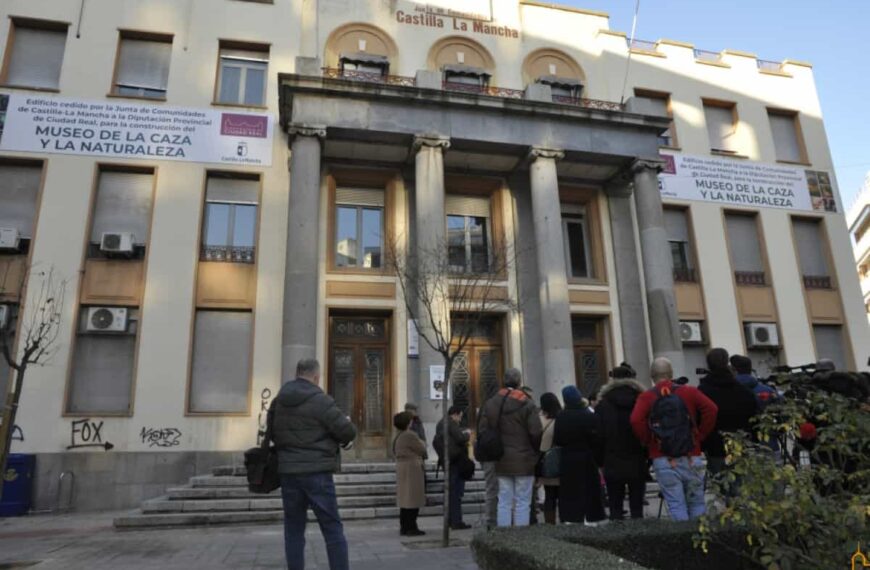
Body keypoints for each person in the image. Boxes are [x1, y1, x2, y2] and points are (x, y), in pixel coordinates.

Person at [272, 358, 357, 570]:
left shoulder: (279, 401)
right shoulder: (321, 400)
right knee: (332, 529)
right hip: (317, 472)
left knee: (293, 529)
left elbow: (272, 432)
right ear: (316, 377)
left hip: (289, 472)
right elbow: (347, 431)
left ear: (296, 373)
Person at [630, 357, 717, 522]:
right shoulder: (689, 391)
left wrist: (649, 439)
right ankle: (700, 541)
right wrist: (700, 434)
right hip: (692, 453)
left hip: (663, 456)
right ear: (671, 374)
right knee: (697, 502)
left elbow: (635, 420)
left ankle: (683, 542)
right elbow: (711, 409)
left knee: (676, 504)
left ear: (651, 375)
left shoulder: (647, 397)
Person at [479, 368, 543, 527]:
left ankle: (504, 537)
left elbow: (482, 430)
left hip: (500, 458)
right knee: (523, 501)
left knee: (504, 500)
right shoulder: (527, 403)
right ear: (519, 381)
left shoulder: (491, 402)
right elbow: (536, 432)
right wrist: (535, 453)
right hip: (524, 459)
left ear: (504, 380)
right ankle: (520, 539)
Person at [698, 348, 758, 478]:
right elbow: (753, 414)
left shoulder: (703, 391)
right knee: (740, 484)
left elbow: (699, 418)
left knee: (720, 483)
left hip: (714, 444)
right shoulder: (743, 391)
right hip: (740, 442)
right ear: (727, 363)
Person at [595, 372, 647, 520]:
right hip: (637, 458)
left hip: (612, 459)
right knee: (637, 506)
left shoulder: (603, 404)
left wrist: (600, 461)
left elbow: (598, 436)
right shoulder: (641, 401)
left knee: (615, 505)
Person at [554, 385, 606, 525]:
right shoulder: (589, 415)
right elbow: (597, 440)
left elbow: (557, 439)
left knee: (570, 492)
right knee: (589, 491)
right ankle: (591, 519)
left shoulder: (561, 417)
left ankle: (571, 519)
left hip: (568, 459)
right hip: (587, 458)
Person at [434, 405, 471, 530]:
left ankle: (450, 520)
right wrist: (467, 435)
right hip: (455, 462)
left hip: (447, 461)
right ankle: (456, 521)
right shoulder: (450, 423)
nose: (460, 419)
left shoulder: (441, 423)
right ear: (455, 414)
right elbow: (460, 438)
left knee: (451, 492)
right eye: (460, 416)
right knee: (456, 493)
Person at [393, 411, 427, 536]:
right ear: (408, 422)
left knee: (405, 500)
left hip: (403, 468)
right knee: (412, 499)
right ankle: (411, 527)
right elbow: (422, 448)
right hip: (412, 469)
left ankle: (405, 526)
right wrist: (422, 442)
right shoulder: (410, 435)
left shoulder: (398, 435)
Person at [538, 392, 562, 524]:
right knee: (563, 496)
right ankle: (565, 521)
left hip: (546, 461)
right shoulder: (562, 418)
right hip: (561, 460)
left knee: (549, 496)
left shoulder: (540, 419)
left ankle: (550, 523)